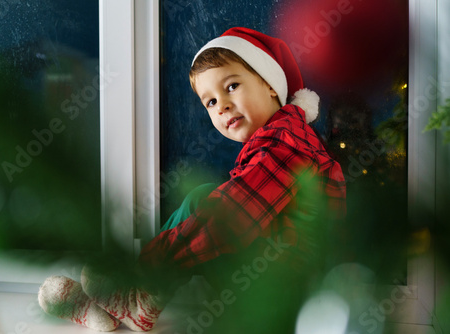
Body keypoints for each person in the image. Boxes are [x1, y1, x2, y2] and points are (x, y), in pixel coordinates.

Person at [38, 27, 346, 332]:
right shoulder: (278, 140)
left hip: (286, 298)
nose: (222, 105)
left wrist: (149, 262)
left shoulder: (286, 144)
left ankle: (134, 290)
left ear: (269, 86)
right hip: (270, 280)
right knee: (204, 201)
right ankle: (123, 304)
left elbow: (235, 217)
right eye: (210, 102)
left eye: (232, 86)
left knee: (205, 203)